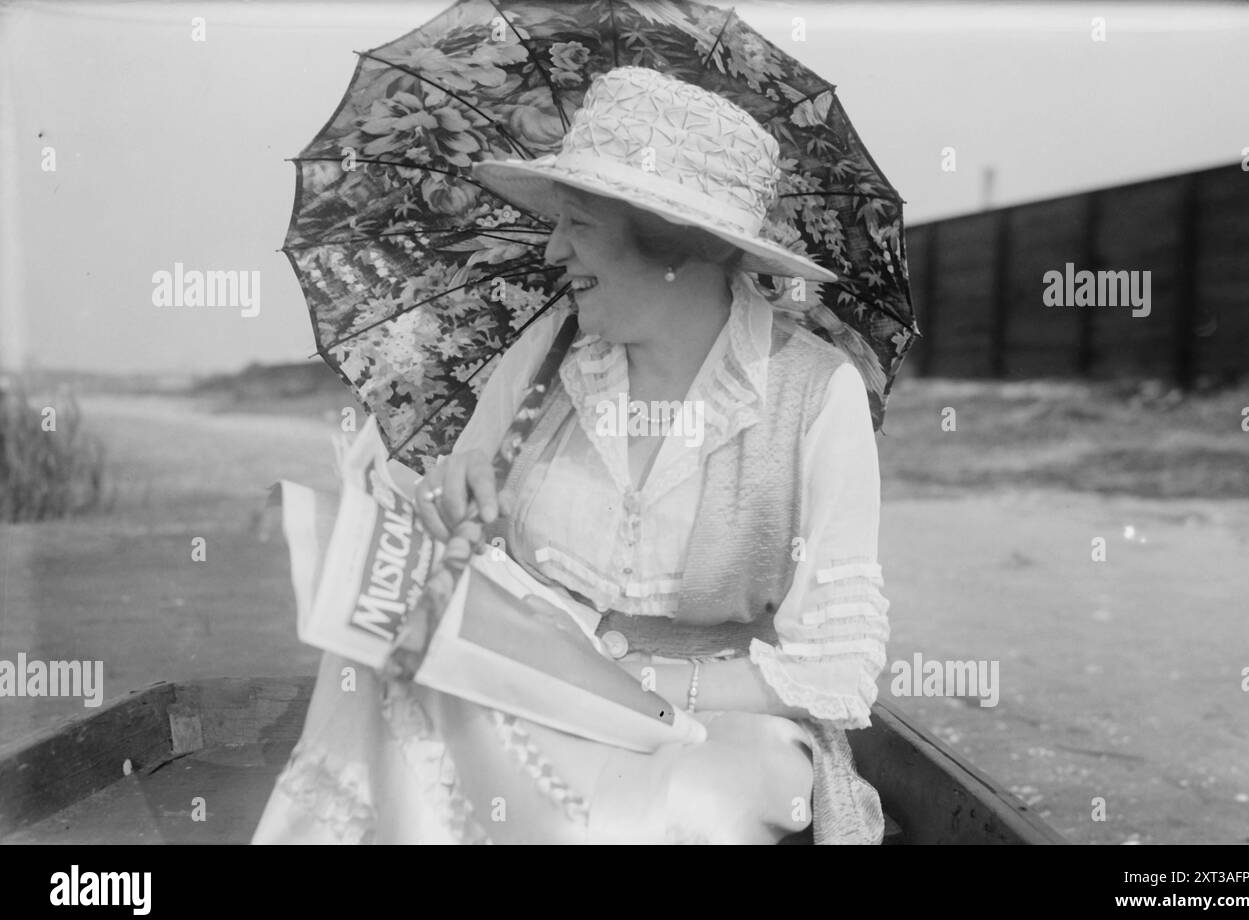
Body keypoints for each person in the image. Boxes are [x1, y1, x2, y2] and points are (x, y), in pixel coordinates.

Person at [254, 66, 890, 845]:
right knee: (390, 695)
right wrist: (454, 515)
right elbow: (473, 557)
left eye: (578, 223)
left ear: (673, 244)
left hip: (725, 728)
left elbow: (833, 667)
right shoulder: (548, 354)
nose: (555, 249)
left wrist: (646, 684)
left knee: (666, 811)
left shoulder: (817, 396)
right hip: (547, 699)